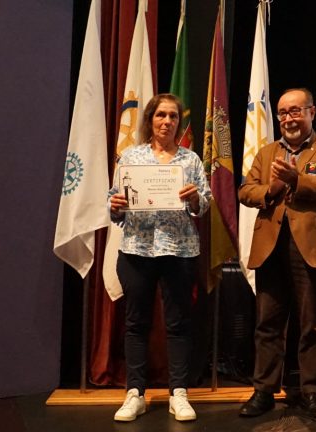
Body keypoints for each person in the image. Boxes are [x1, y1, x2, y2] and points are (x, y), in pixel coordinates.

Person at [237, 88, 316, 420]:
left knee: (312, 324)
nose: (288, 118)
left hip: (311, 248)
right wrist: (270, 190)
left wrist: (297, 180)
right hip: (270, 245)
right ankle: (264, 391)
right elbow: (245, 191)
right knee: (267, 322)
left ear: (312, 112)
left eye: (295, 111)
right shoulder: (267, 152)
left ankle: (312, 391)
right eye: (283, 113)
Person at [108, 93, 211, 422]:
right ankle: (134, 394)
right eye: (161, 115)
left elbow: (204, 204)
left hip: (179, 250)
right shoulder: (131, 157)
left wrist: (194, 200)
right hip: (137, 249)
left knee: (178, 323)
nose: (167, 121)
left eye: (173, 116)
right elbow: (114, 204)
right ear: (150, 119)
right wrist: (115, 206)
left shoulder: (190, 160)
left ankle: (178, 393)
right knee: (136, 323)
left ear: (179, 122)